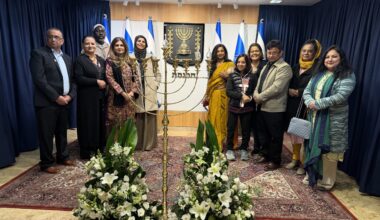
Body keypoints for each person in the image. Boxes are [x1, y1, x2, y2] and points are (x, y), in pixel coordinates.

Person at [303, 45, 356, 190]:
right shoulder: (319, 73)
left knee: (329, 153)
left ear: (341, 59)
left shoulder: (347, 74)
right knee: (312, 145)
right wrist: (309, 102)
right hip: (314, 117)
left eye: (334, 56)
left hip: (333, 121)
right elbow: (307, 90)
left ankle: (327, 182)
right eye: (327, 57)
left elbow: (340, 96)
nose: (330, 59)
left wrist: (317, 104)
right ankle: (311, 175)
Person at [29, 28, 76, 174]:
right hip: (47, 103)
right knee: (46, 134)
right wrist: (56, 97)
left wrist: (70, 96)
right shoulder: (39, 54)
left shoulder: (67, 58)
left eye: (56, 37)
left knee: (62, 132)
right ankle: (47, 163)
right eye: (50, 37)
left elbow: (73, 80)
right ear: (46, 39)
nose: (53, 39)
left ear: (62, 40)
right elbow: (39, 80)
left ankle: (63, 157)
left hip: (65, 102)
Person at [253, 40, 292, 171]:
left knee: (275, 136)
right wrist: (255, 93)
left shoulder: (284, 67)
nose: (271, 55)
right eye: (269, 53)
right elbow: (259, 83)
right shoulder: (266, 66)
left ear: (281, 53)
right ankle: (265, 154)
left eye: (274, 53)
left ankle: (275, 160)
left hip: (275, 108)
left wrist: (259, 97)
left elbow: (277, 88)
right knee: (263, 134)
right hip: (262, 106)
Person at [285, 39, 322, 175]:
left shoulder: (317, 69)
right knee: (295, 133)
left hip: (307, 106)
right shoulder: (295, 67)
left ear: (315, 53)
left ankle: (303, 163)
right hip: (292, 105)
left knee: (305, 135)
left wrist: (299, 92)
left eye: (310, 51)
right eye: (304, 50)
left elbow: (316, 88)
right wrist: (289, 89)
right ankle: (295, 159)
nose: (306, 53)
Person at [74, 36, 107, 159]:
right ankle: (87, 151)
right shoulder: (80, 60)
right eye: (87, 44)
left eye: (92, 43)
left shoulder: (102, 60)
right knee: (88, 124)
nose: (90, 46)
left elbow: (106, 76)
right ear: (83, 45)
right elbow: (79, 78)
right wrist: (96, 82)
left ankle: (99, 148)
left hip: (101, 98)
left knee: (99, 124)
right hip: (87, 98)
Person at [203, 44, 235, 150]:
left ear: (225, 52)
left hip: (224, 95)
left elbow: (235, 80)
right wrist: (206, 96)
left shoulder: (230, 64)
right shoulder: (212, 65)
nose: (220, 53)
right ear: (215, 53)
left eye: (222, 51)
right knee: (212, 119)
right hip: (213, 96)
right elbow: (210, 82)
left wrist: (227, 77)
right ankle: (212, 142)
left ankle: (221, 143)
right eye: (218, 51)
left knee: (222, 119)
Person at [105, 37, 140, 133]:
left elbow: (136, 78)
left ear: (125, 47)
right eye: (117, 45)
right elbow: (110, 78)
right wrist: (123, 94)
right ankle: (116, 147)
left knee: (129, 122)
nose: (119, 47)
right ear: (113, 47)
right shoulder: (110, 61)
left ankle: (127, 147)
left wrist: (132, 93)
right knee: (116, 123)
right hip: (116, 97)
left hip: (130, 99)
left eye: (121, 45)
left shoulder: (130, 61)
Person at [133, 35, 161, 151]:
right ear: (135, 43)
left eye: (143, 41)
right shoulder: (130, 58)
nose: (141, 43)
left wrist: (156, 85)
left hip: (149, 91)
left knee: (149, 116)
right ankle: (137, 143)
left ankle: (149, 143)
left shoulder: (151, 58)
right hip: (136, 91)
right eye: (138, 41)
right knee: (138, 116)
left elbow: (158, 73)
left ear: (146, 44)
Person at [225, 54, 256, 161]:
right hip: (234, 106)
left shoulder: (252, 76)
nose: (240, 64)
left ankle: (244, 149)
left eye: (243, 62)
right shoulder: (232, 75)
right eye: (238, 62)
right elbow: (228, 91)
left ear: (247, 63)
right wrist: (241, 96)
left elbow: (254, 91)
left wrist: (250, 97)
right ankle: (229, 149)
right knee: (231, 128)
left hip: (247, 108)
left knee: (246, 130)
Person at [247, 43, 267, 156]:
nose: (254, 53)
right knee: (253, 124)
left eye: (256, 51)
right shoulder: (246, 65)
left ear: (260, 52)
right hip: (249, 99)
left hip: (261, 98)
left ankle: (263, 148)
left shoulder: (265, 65)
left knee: (261, 124)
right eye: (252, 51)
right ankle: (256, 146)